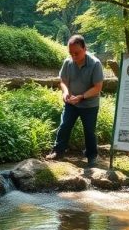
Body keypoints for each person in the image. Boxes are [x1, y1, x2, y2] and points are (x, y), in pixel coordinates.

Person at [45, 34, 105, 168]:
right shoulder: (68, 62)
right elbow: (63, 81)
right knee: (64, 125)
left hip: (89, 104)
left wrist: (81, 96)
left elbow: (97, 88)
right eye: (71, 53)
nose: (73, 56)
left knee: (89, 131)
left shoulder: (95, 64)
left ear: (85, 48)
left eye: (76, 53)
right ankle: (58, 152)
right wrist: (65, 92)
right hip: (71, 103)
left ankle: (91, 157)